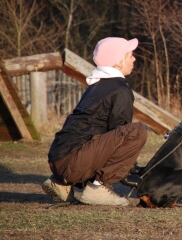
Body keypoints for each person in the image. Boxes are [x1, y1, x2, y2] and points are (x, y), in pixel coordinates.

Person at [42, 37, 148, 206]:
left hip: (59, 160)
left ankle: (62, 184)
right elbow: (120, 133)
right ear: (118, 62)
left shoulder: (97, 86)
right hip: (73, 163)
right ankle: (98, 189)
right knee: (136, 131)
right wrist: (128, 169)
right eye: (130, 56)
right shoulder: (119, 89)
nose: (134, 59)